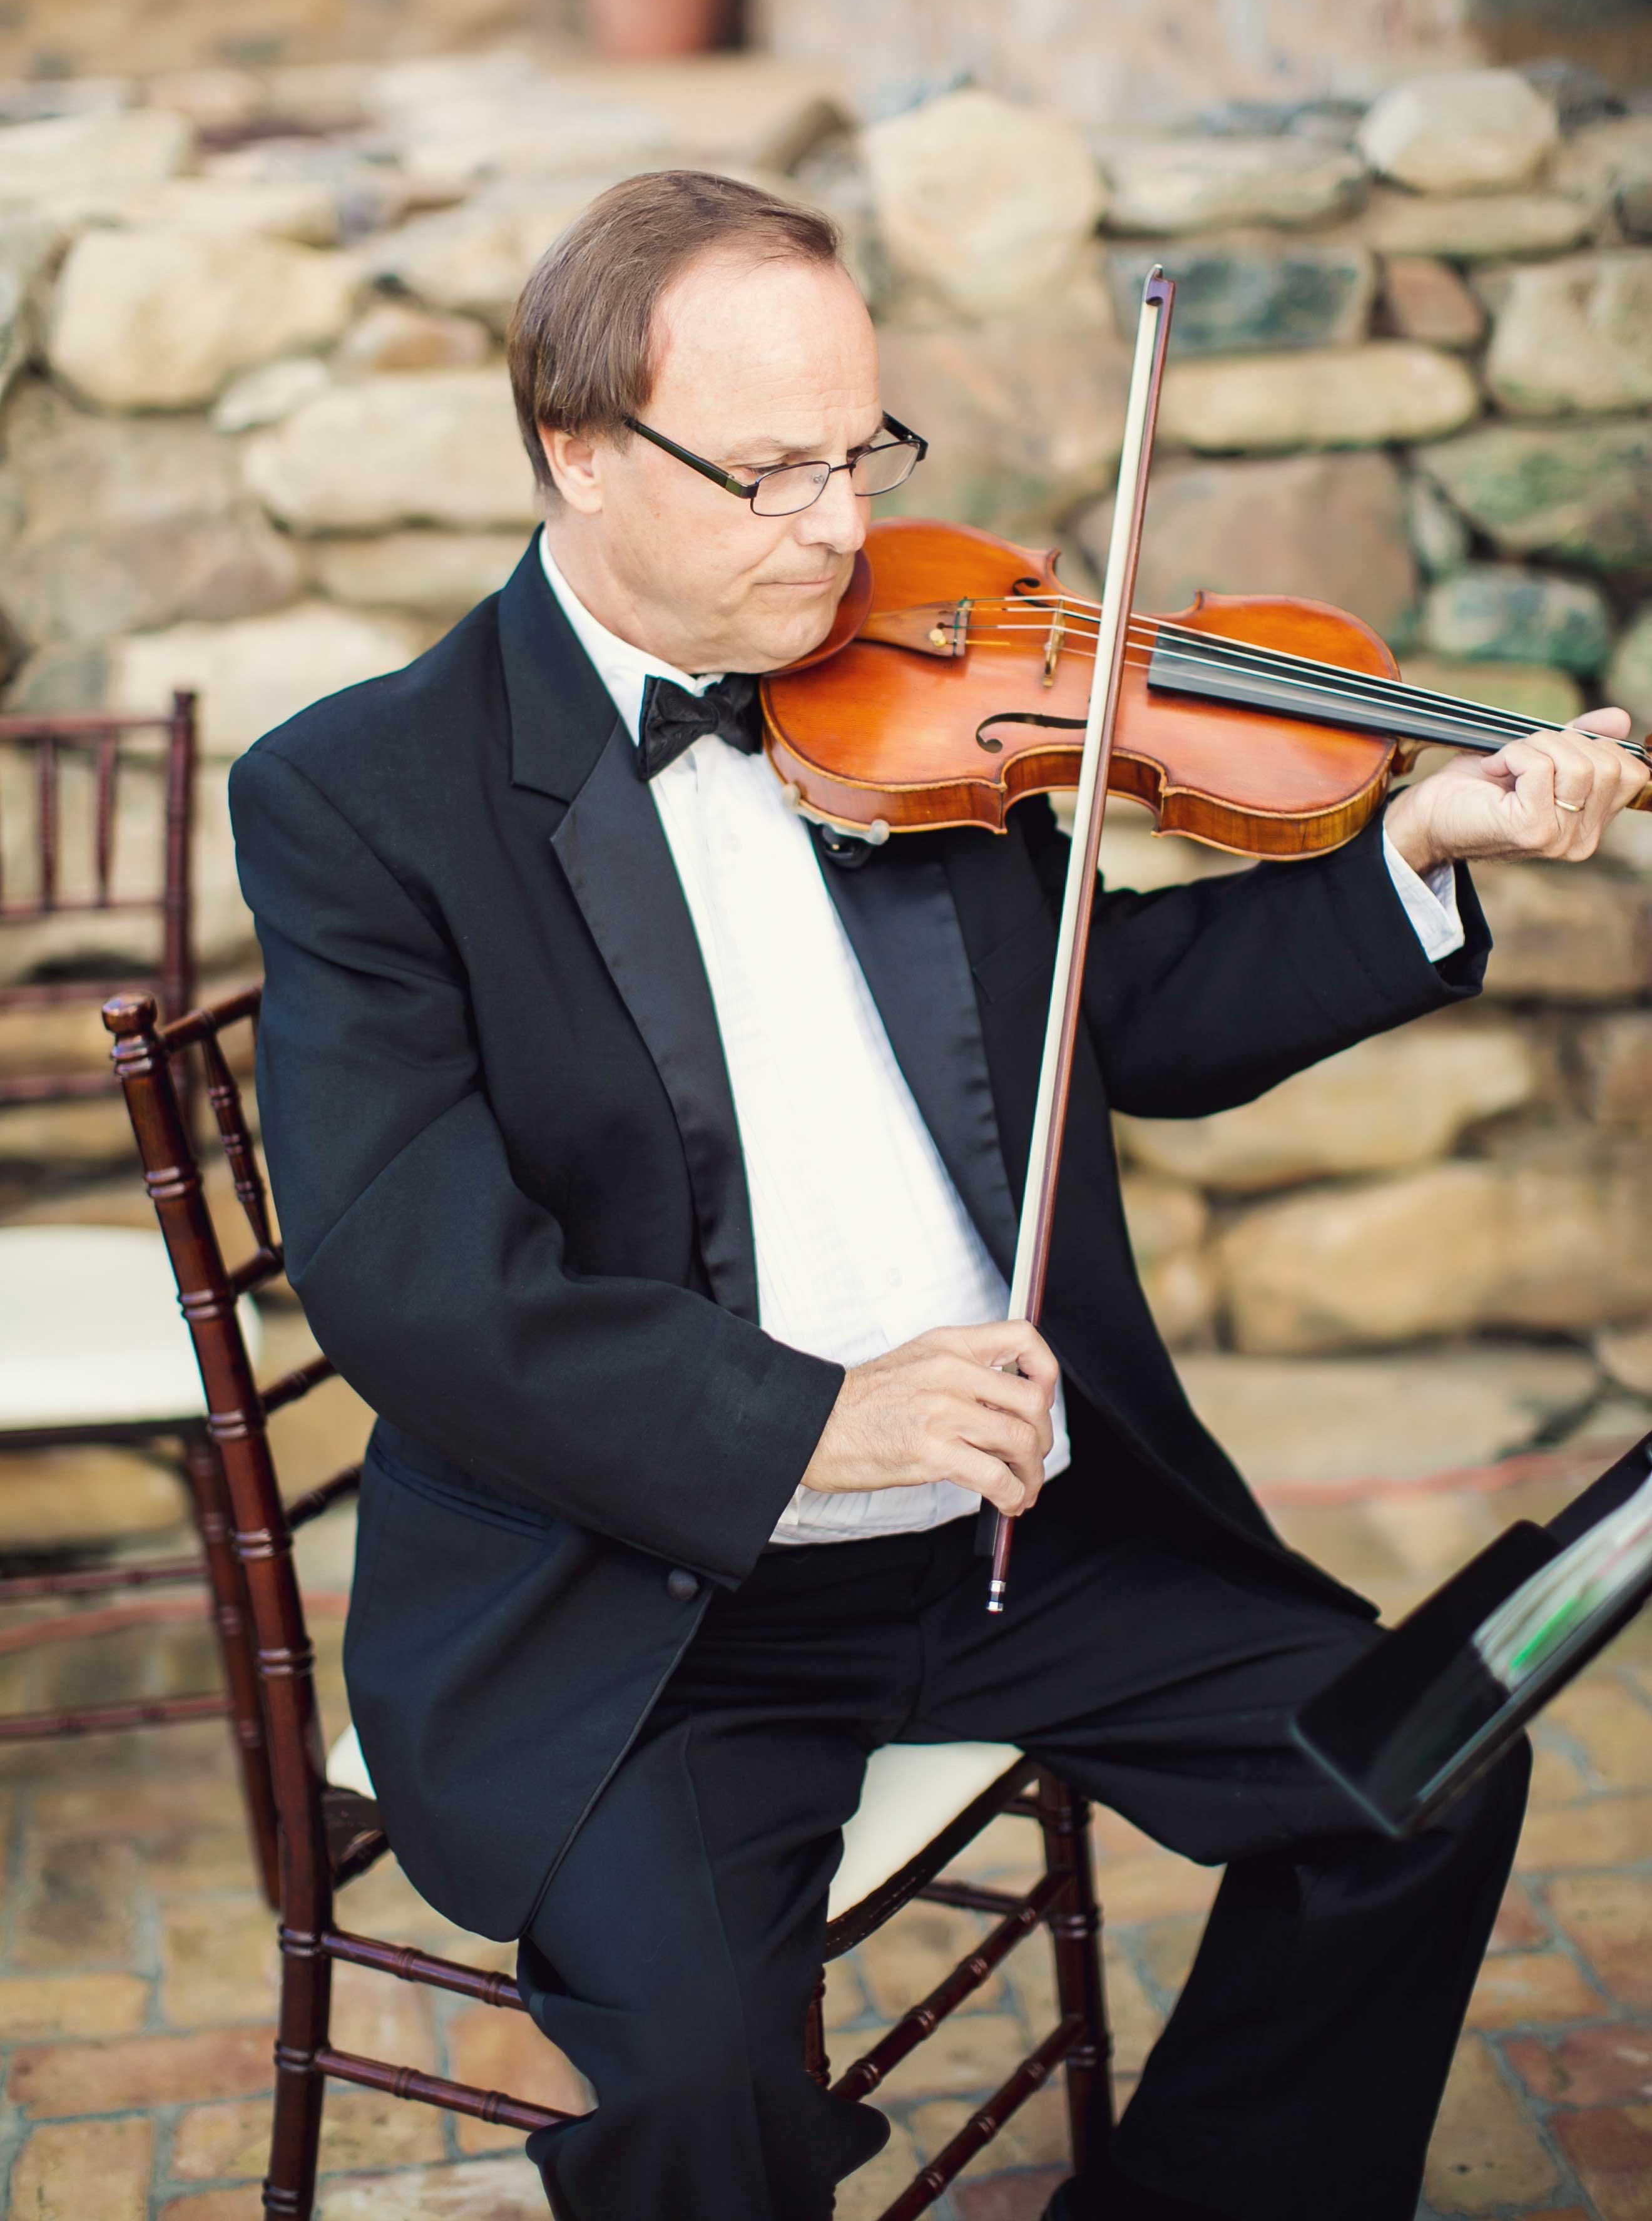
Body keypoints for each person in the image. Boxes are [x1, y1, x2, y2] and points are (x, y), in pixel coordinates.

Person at [230, 170, 1646, 2221]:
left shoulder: (910, 686)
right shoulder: (368, 793)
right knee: (706, 2100)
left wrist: (1418, 843)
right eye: (772, 469)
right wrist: (813, 1418)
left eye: (863, 451)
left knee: (1423, 1766)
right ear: (578, 448)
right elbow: (411, 1272)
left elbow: (1122, 1011)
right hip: (656, 1603)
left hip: (1014, 1538)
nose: (840, 526)